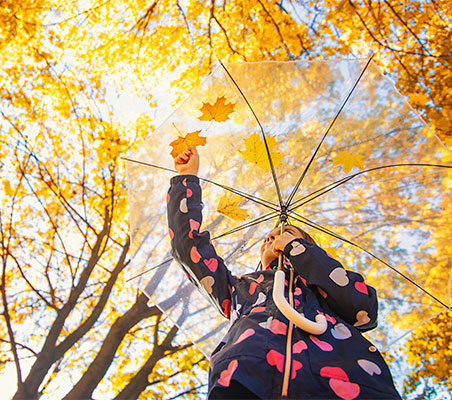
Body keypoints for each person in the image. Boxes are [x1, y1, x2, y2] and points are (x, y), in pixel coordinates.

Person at [167, 145, 401, 399]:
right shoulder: (239, 290)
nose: (272, 237)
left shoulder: (328, 284)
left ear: (308, 247)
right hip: (247, 378)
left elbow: (363, 310)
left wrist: (295, 249)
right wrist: (186, 179)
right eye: (269, 237)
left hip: (345, 384)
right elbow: (186, 246)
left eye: (287, 234)